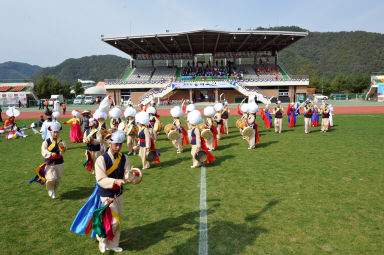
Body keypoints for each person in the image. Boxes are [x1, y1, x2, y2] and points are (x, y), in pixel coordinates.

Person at [40, 122, 67, 199]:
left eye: (57, 132)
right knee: (51, 178)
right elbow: (43, 151)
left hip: (59, 162)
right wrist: (50, 153)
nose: (56, 134)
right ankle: (50, 190)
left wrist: (62, 149)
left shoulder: (61, 141)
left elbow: (64, 150)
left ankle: (54, 190)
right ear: (51, 132)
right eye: (54, 132)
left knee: (57, 179)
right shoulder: (46, 142)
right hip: (49, 163)